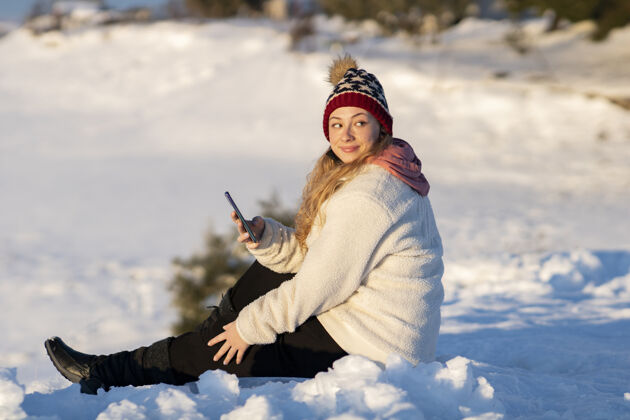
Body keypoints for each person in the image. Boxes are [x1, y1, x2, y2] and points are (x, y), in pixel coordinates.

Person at [45, 55, 445, 395]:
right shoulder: (376, 174)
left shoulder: (370, 195)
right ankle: (173, 352)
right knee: (264, 275)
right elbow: (317, 256)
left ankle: (108, 374)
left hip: (372, 348)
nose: (346, 134)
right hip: (373, 330)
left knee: (225, 347)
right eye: (337, 124)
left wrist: (246, 328)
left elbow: (317, 286)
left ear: (381, 126)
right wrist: (268, 237)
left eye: (359, 122)